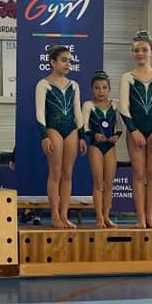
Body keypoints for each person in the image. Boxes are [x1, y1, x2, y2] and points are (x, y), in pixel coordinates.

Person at [119, 31, 152, 229]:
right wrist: (133, 131)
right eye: (137, 50)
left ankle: (151, 217)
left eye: (144, 50)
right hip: (135, 130)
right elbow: (123, 107)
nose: (140, 53)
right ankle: (141, 218)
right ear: (133, 53)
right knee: (138, 174)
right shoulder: (127, 77)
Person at [36, 45, 86, 229]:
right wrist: (44, 136)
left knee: (68, 173)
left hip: (71, 129)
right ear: (52, 62)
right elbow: (40, 112)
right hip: (53, 129)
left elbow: (77, 112)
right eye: (64, 60)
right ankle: (55, 215)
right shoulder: (43, 84)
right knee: (55, 172)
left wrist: (81, 135)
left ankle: (64, 214)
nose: (67, 64)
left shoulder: (74, 85)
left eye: (69, 61)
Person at [82, 70, 122, 229]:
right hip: (96, 146)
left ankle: (106, 216)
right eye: (97, 88)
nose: (101, 91)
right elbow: (85, 127)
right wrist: (94, 135)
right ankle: (99, 217)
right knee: (98, 183)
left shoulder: (115, 104)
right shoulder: (88, 105)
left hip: (110, 146)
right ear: (92, 89)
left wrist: (117, 136)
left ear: (109, 89)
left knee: (108, 184)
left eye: (104, 88)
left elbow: (119, 125)